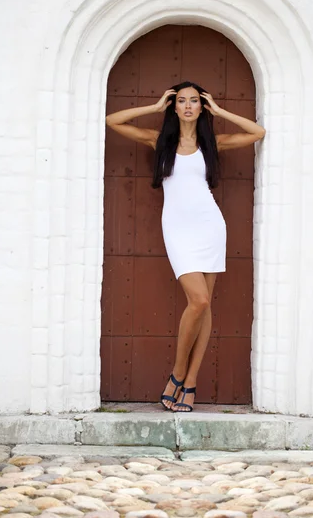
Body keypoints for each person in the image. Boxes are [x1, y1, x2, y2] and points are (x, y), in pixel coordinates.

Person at [106, 81, 265, 412]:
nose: (189, 105)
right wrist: (153, 107)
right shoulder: (159, 142)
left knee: (204, 306)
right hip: (177, 229)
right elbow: (113, 121)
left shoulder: (212, 145)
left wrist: (220, 111)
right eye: (182, 101)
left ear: (201, 107)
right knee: (199, 300)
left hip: (210, 226)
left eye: (195, 100)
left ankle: (189, 383)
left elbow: (257, 132)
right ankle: (177, 374)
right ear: (174, 106)